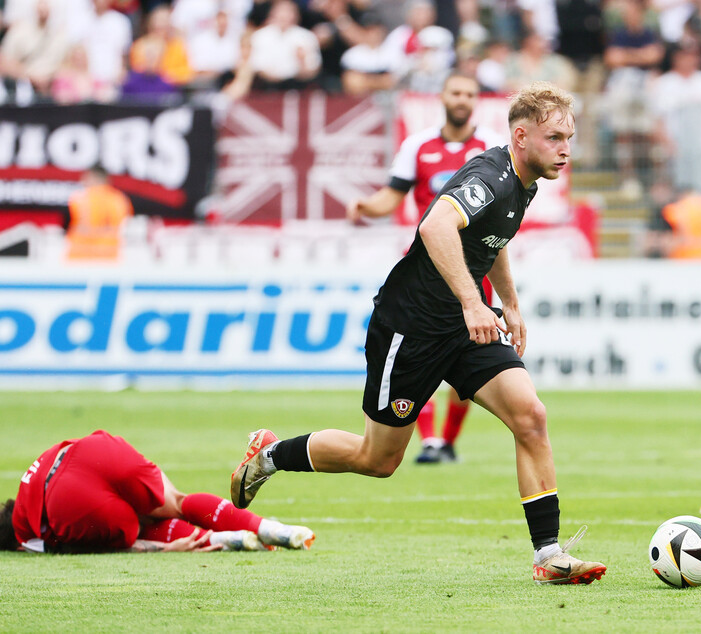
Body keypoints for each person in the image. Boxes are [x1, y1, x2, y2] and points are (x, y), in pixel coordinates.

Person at [234, 81, 607, 585]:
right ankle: (271, 456)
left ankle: (549, 555)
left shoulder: (525, 184)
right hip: (410, 328)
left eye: (570, 137)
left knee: (531, 415)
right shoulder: (491, 176)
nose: (566, 148)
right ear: (521, 136)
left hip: (463, 326)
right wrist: (475, 302)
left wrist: (510, 306)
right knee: (378, 459)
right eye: (556, 137)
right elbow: (435, 227)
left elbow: (491, 241)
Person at [347, 72, 506, 464]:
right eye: (456, 91)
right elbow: (392, 196)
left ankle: (447, 440)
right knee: (424, 352)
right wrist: (366, 207)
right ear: (443, 96)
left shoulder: (489, 148)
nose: (463, 98)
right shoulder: (417, 145)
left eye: (469, 93)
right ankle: (431, 440)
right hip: (427, 267)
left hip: (472, 268)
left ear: (476, 100)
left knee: (470, 353)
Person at [0, 430, 315, 553]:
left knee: (134, 529)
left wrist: (157, 549)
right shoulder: (28, 478)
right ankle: (270, 529)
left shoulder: (22, 534)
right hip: (89, 451)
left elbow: (66, 548)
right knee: (175, 502)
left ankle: (219, 539)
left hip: (66, 499)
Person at [65, 165, 134, 261]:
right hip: (110, 255)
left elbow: (73, 224)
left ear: (93, 177)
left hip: (80, 255)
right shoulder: (120, 199)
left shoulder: (80, 198)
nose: (82, 181)